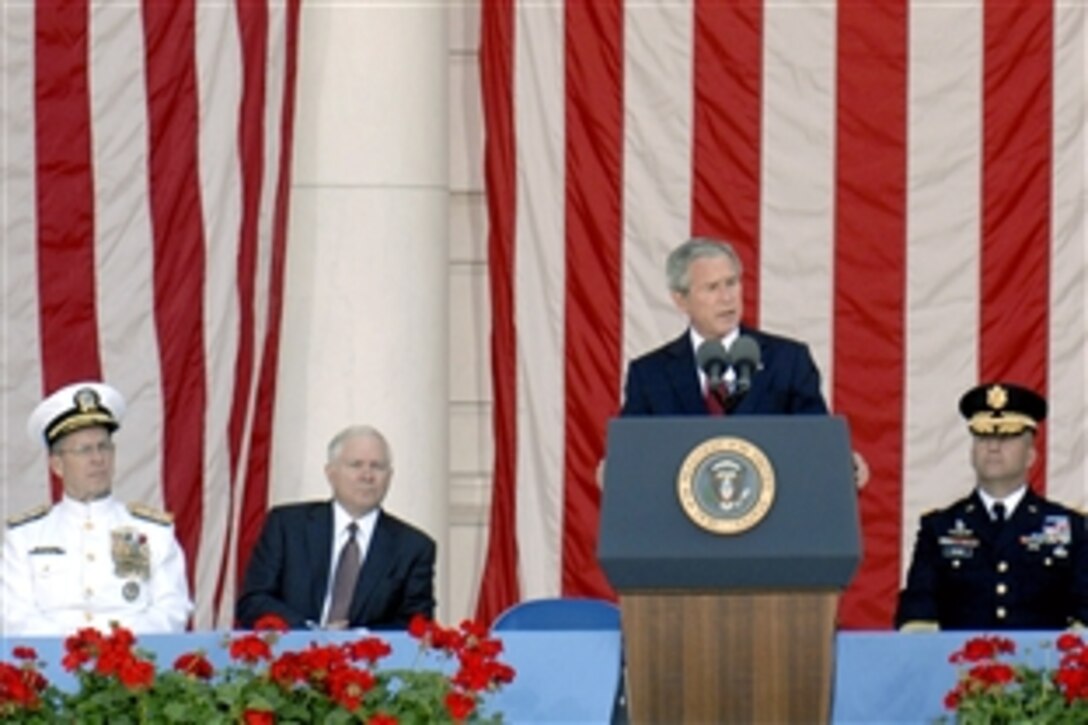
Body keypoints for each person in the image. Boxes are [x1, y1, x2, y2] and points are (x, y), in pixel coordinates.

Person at [1, 381, 193, 635]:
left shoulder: (153, 532)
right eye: (84, 450)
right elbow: (14, 616)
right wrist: (77, 647)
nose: (97, 459)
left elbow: (172, 610)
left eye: (104, 447)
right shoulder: (25, 537)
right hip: (52, 667)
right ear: (57, 464)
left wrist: (113, 646)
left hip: (133, 664)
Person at [895, 382, 1088, 630]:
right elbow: (918, 613)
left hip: (1041, 666)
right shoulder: (939, 528)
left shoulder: (1069, 527)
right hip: (958, 666)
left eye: (1006, 437)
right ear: (972, 451)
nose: (993, 447)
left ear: (1031, 454)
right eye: (984, 436)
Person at [236, 425, 436, 630]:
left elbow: (415, 623)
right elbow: (254, 600)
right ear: (331, 473)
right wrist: (311, 631)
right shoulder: (287, 526)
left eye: (377, 466)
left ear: (390, 476)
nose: (367, 475)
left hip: (370, 659)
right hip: (292, 655)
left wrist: (355, 639)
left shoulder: (413, 547)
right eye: (356, 465)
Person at [620, 237, 828, 416]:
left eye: (731, 283)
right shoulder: (650, 375)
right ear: (681, 300)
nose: (726, 298)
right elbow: (635, 451)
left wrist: (846, 461)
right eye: (712, 288)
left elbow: (816, 443)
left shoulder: (788, 362)